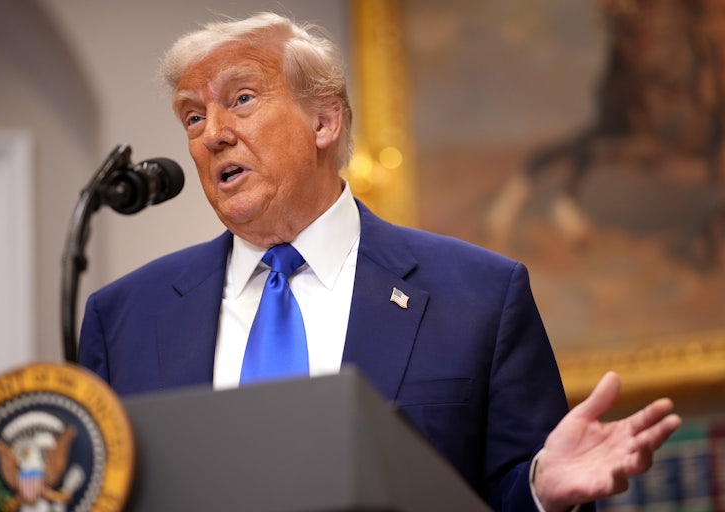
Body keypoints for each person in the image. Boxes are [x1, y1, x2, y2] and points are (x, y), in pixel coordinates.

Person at [78, 12, 681, 512]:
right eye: (193, 116)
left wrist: (540, 493)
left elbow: (506, 487)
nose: (212, 134)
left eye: (241, 99)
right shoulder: (125, 318)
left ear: (324, 120)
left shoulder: (480, 298)